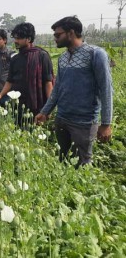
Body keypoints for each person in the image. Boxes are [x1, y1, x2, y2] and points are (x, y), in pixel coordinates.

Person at [35, 16, 113, 168]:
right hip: (62, 118)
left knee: (82, 164)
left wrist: (106, 123)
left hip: (84, 122)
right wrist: (45, 112)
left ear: (70, 33)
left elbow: (106, 89)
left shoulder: (95, 54)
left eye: (58, 35)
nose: (55, 39)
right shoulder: (63, 58)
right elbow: (58, 88)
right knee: (63, 159)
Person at [0, 22, 54, 125]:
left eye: (19, 38)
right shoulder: (15, 59)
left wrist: (49, 108)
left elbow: (48, 83)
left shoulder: (42, 56)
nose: (16, 41)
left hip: (37, 104)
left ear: (29, 39)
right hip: (18, 104)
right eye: (15, 38)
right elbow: (10, 81)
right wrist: (0, 94)